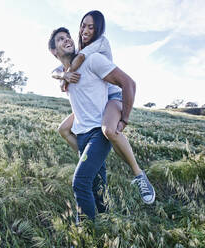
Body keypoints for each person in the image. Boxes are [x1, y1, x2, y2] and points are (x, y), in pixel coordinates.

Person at [48, 25, 155, 220]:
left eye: (68, 37)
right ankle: (108, 222)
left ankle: (86, 234)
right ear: (53, 51)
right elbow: (54, 72)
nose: (67, 40)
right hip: (82, 134)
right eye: (61, 39)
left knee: (80, 182)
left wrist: (123, 119)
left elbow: (128, 83)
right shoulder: (62, 73)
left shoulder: (92, 60)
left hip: (99, 131)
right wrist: (64, 75)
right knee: (98, 188)